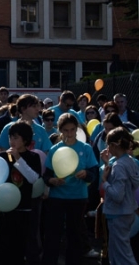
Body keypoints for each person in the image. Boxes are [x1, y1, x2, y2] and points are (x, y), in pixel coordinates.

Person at [42, 113, 98, 265]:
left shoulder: (85, 148)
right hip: (57, 198)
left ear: (77, 129)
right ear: (60, 130)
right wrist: (52, 180)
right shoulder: (55, 149)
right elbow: (46, 176)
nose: (69, 133)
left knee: (75, 235)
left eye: (72, 130)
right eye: (65, 130)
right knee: (53, 233)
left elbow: (94, 174)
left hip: (78, 197)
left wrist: (86, 174)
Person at [0, 121, 42, 265]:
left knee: (18, 249)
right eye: (10, 138)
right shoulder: (2, 156)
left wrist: (18, 159)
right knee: (1, 249)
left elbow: (32, 178)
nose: (12, 141)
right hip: (4, 210)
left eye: (16, 138)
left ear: (25, 140)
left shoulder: (33, 157)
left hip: (23, 209)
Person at [101, 127, 139, 265]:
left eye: (107, 144)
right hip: (127, 212)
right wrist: (107, 163)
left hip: (119, 214)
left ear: (113, 145)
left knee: (123, 255)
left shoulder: (119, 165)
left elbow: (117, 195)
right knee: (115, 254)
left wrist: (105, 182)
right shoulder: (130, 161)